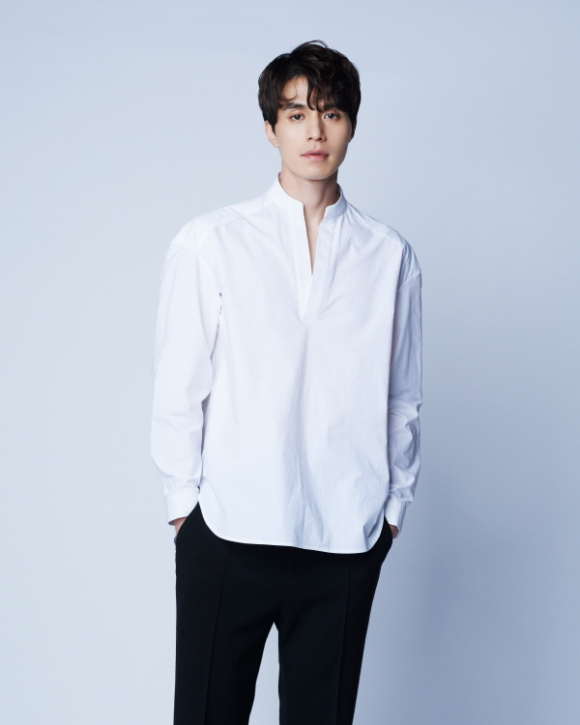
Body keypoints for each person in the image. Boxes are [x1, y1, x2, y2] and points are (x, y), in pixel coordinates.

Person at [150, 39, 423, 725]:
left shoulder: (389, 255)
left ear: (351, 126)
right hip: (229, 529)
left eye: (331, 113)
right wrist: (186, 510)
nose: (314, 130)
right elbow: (179, 384)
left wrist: (392, 509)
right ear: (271, 128)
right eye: (297, 114)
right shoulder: (211, 241)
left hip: (344, 537)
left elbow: (402, 395)